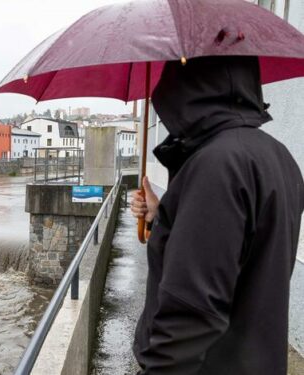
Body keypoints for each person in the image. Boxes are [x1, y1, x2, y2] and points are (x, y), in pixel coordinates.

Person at [130, 56, 304, 374]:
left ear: (188, 87)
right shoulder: (278, 157)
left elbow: (190, 313)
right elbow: (240, 253)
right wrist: (162, 216)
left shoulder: (219, 164)